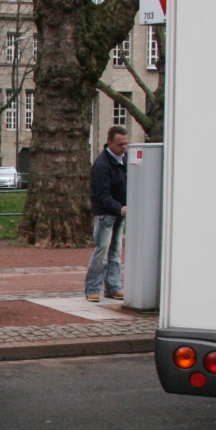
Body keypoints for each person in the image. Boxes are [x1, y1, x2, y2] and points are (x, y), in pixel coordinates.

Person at [84, 125, 129, 302]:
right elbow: (102, 195)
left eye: (126, 143)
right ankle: (92, 288)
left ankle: (113, 287)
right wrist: (119, 208)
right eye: (120, 144)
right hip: (106, 214)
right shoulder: (102, 164)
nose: (124, 147)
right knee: (101, 252)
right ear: (109, 142)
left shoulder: (125, 159)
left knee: (115, 252)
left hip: (119, 212)